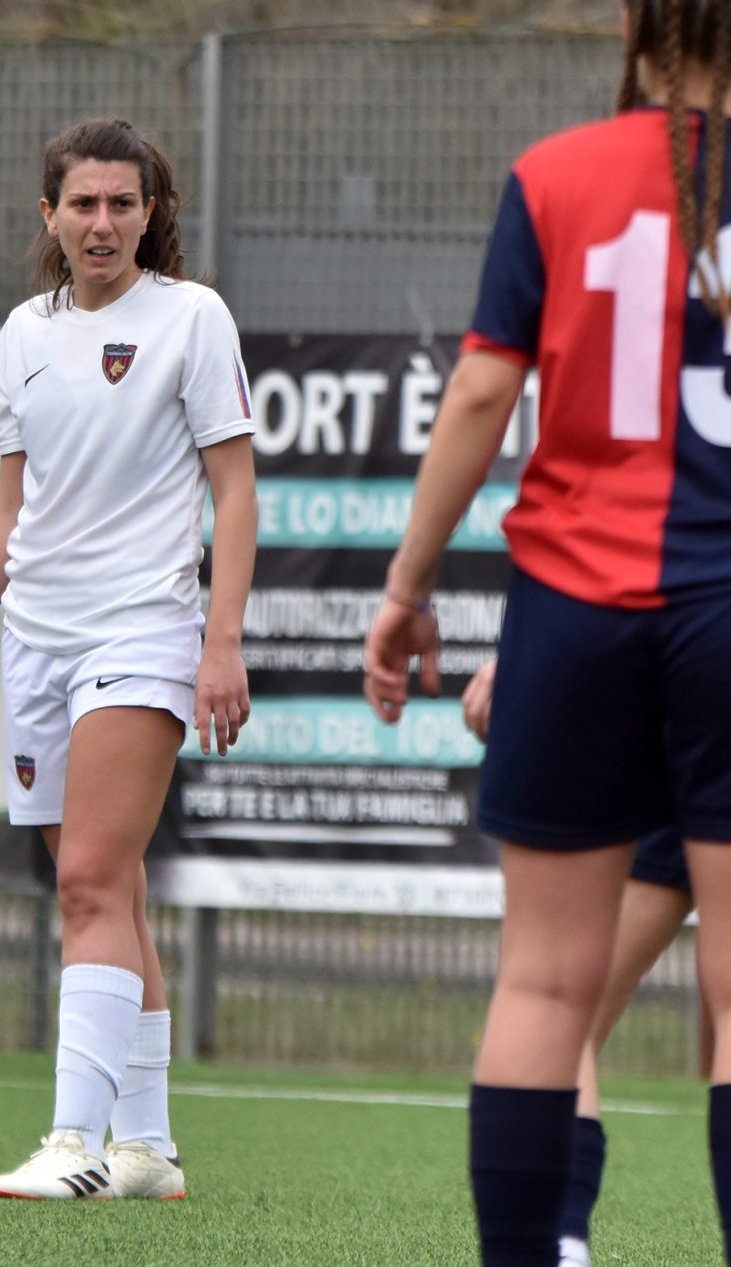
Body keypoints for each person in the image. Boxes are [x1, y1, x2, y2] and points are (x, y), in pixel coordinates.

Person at [364, 2, 731, 1259]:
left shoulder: (555, 173)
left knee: (541, 982)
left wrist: (407, 588)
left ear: (633, 21)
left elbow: (480, 390)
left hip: (575, 611)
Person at [0, 116, 257, 1201]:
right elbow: (8, 509)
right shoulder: (23, 334)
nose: (103, 222)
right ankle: (148, 1147)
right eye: (84, 203)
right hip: (38, 640)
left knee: (87, 881)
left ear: (151, 213)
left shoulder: (192, 316)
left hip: (142, 629)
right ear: (50, 215)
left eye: (123, 202)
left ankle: (73, 1145)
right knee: (110, 890)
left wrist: (219, 643)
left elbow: (235, 491)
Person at [461, 662, 702, 1267]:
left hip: (652, 697)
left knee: (560, 1017)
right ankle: (563, 1244)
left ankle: (564, 1247)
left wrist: (532, 658)